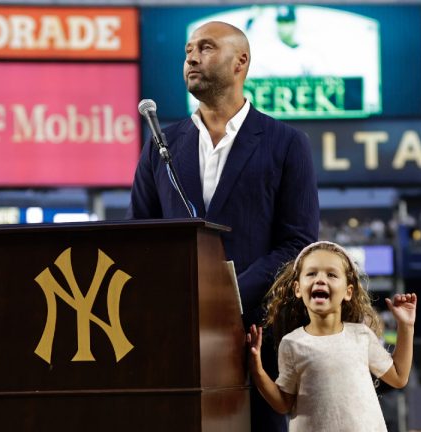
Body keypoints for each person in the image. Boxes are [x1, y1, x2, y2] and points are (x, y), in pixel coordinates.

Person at [127, 20, 318, 431]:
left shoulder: (286, 143)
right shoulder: (161, 144)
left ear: (240, 62)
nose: (191, 58)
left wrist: (225, 296)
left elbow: (299, 244)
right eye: (188, 50)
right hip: (175, 338)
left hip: (257, 340)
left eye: (206, 48)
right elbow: (138, 241)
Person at [247, 241, 417, 431]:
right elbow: (283, 404)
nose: (320, 279)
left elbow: (399, 377)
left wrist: (406, 325)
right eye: (311, 273)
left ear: (348, 292)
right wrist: (257, 371)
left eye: (331, 274)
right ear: (297, 289)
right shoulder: (292, 343)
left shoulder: (361, 335)